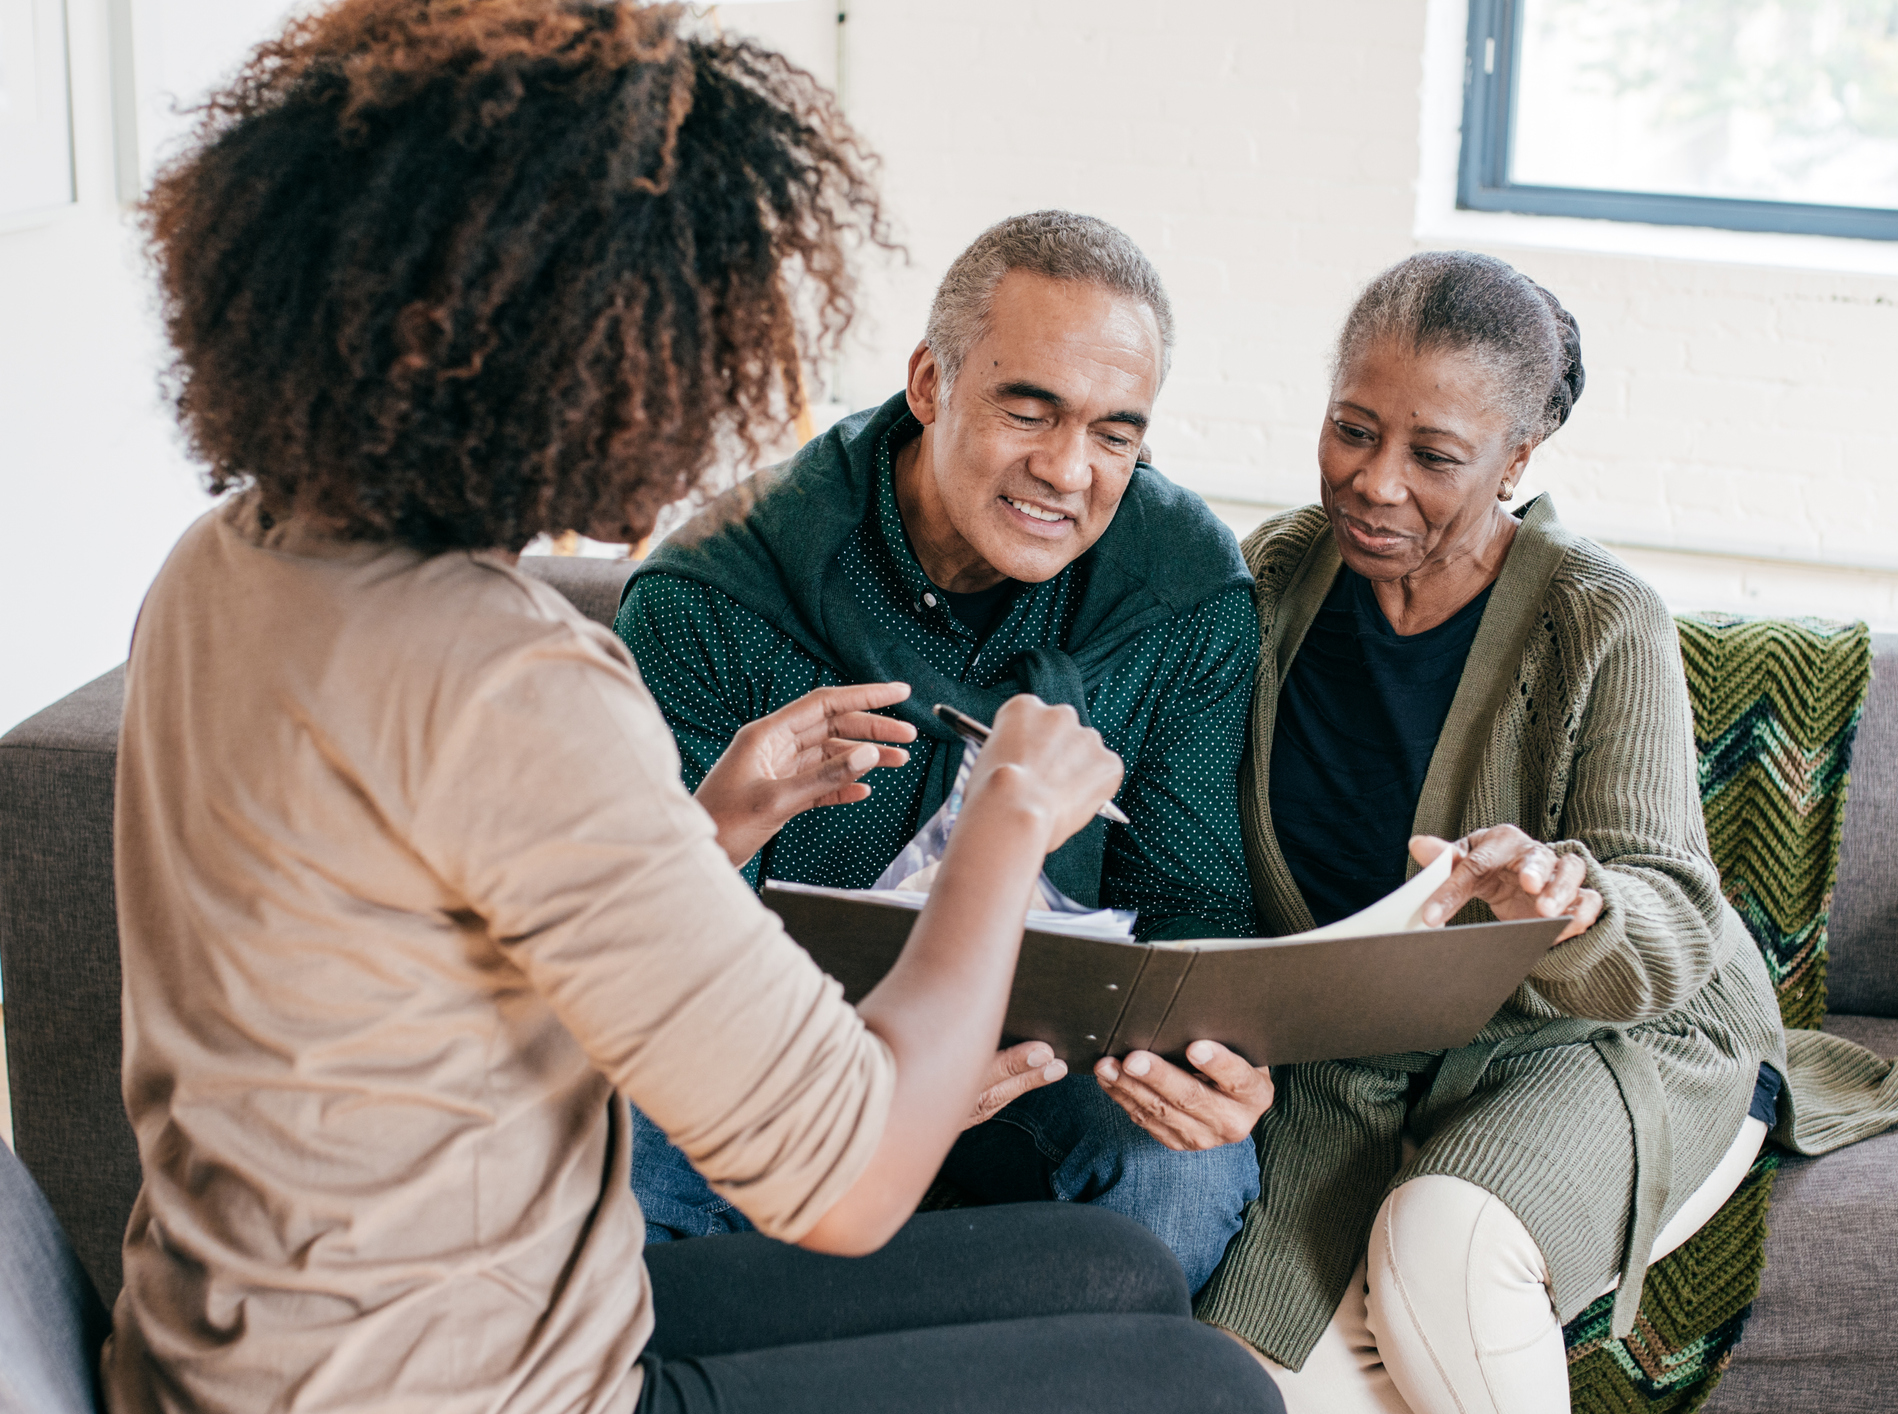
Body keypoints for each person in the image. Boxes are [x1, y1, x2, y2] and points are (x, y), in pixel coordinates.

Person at [104, 4, 1285, 1413]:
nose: (714, 393)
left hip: (312, 1333)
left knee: (1117, 1275)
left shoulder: (234, 556)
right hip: (464, 1388)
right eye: (683, 330)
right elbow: (849, 1174)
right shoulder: (517, 686)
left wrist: (706, 824)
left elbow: (463, 945)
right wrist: (1005, 823)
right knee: (1201, 1390)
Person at [1188, 252, 1898, 1414]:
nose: (1374, 482)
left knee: (1439, 1254)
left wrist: (1569, 905)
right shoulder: (1275, 575)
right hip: (1355, 1064)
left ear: (1516, 459)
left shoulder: (1597, 618)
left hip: (1608, 1032)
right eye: (1351, 428)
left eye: (1434, 456)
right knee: (1243, 1382)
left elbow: (1670, 919)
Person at [616, 210, 1273, 1293]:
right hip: (776, 1049)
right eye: (1030, 409)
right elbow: (645, 952)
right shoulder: (714, 588)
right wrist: (864, 1077)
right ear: (929, 383)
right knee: (630, 1152)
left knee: (1186, 1171)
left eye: (1115, 433)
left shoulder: (1185, 588)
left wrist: (1217, 1063)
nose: (1068, 470)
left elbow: (1190, 898)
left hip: (1043, 1061)